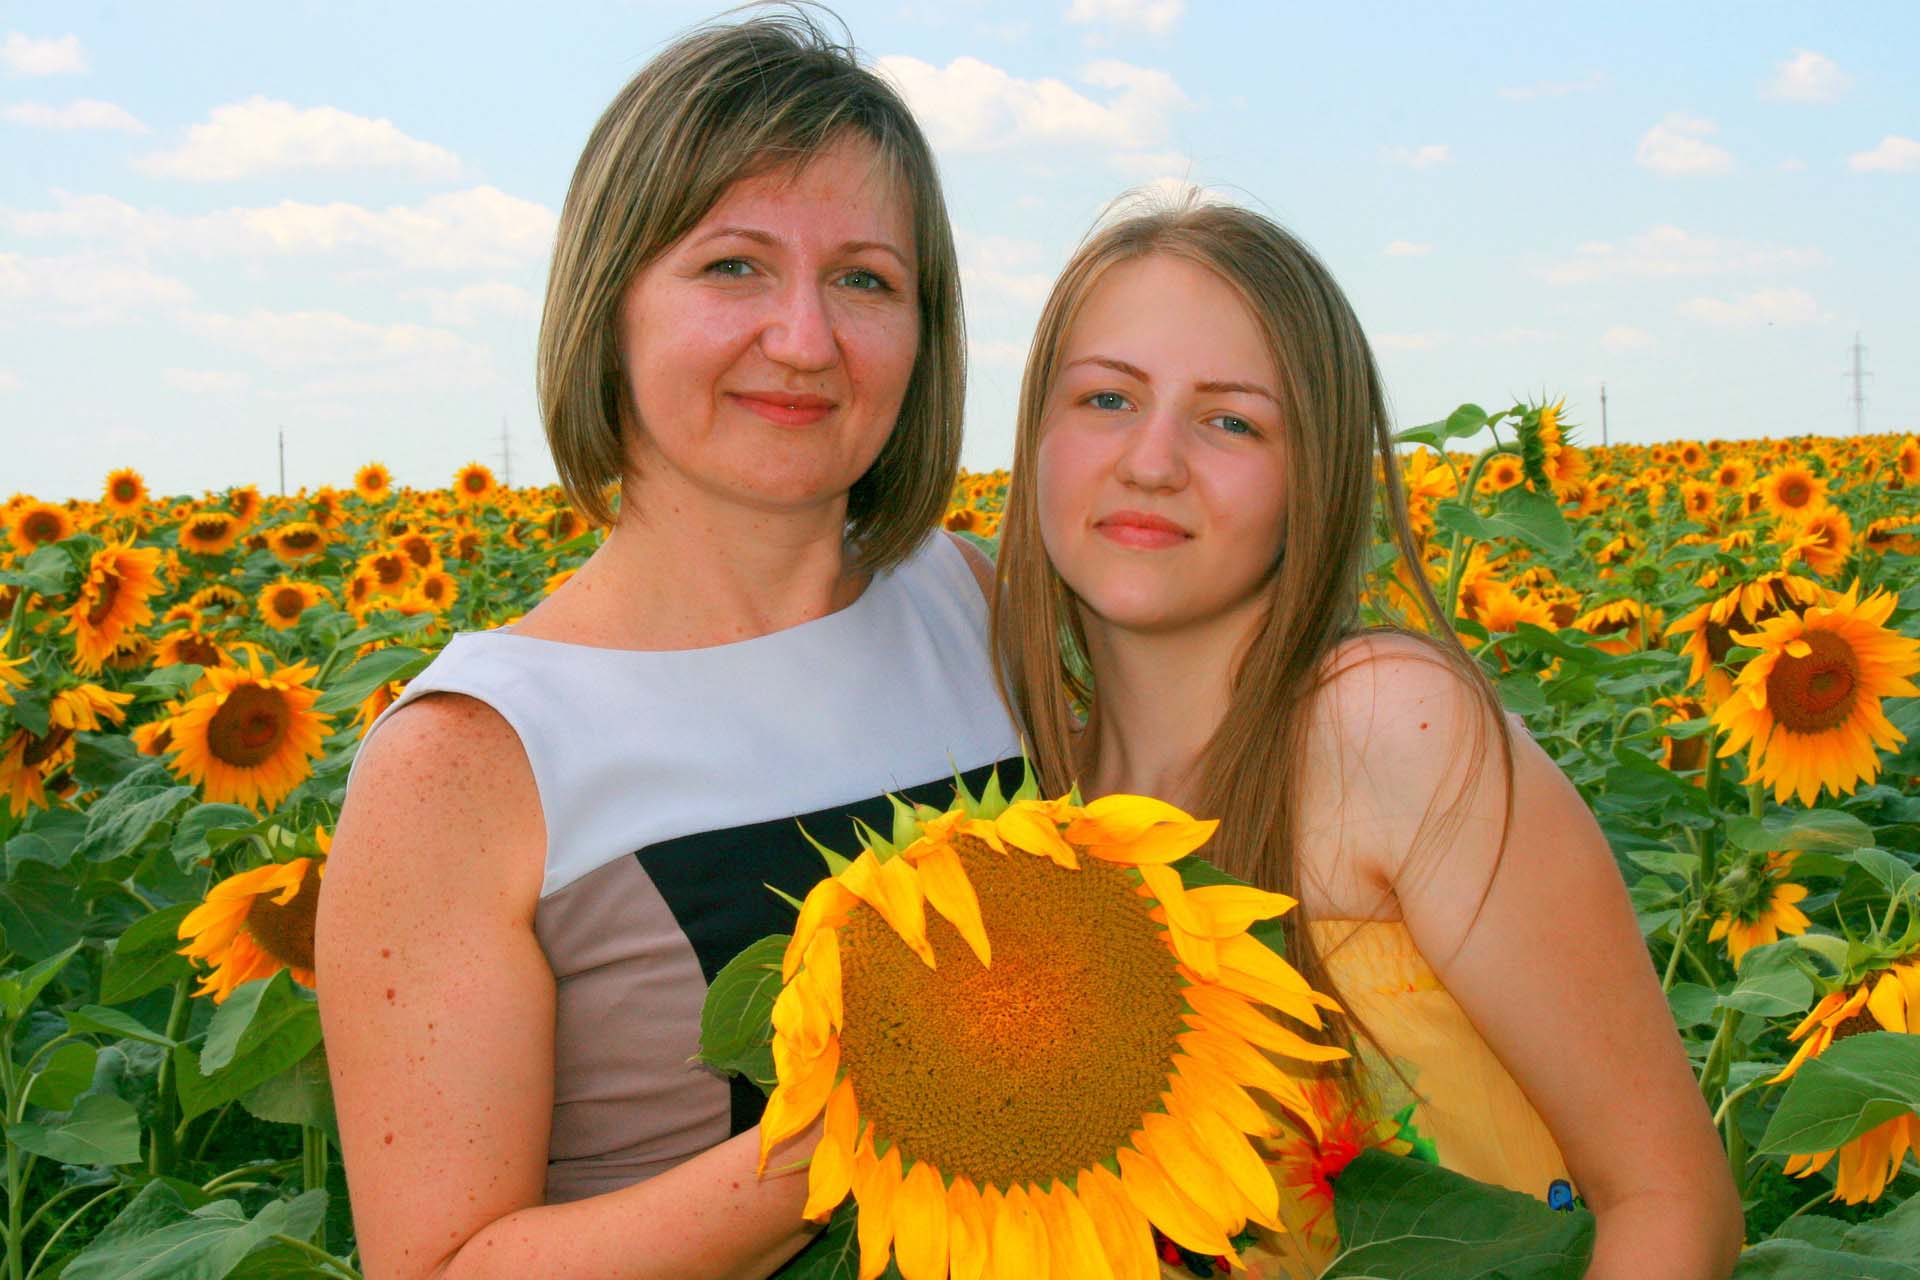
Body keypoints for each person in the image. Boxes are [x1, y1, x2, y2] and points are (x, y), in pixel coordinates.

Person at [314, 12, 1018, 1278]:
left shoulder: (969, 600)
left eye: (866, 278)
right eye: (734, 266)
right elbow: (438, 1263)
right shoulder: (471, 755)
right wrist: (860, 1119)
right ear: (612, 302)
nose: (805, 339)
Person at [990, 198, 1744, 1279]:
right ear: (1036, 435)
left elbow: (1674, 1203)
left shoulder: (1381, 725)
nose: (1151, 460)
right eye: (1107, 397)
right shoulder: (1035, 800)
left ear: (1317, 474)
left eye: (1231, 420)